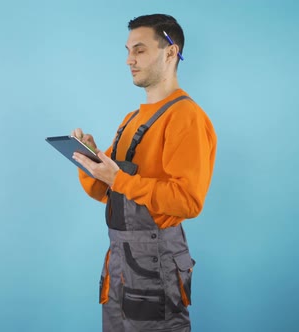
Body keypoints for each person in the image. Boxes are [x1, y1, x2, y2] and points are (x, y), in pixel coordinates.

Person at [71, 14, 217, 332]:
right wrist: (91, 160)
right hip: (119, 261)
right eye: (127, 51)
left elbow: (188, 201)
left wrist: (119, 179)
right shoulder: (130, 119)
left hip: (156, 262)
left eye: (139, 50)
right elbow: (104, 192)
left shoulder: (185, 117)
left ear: (169, 52)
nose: (128, 60)